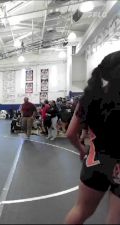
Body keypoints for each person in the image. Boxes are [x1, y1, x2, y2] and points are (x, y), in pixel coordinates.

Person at [64, 51, 120, 224]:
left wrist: (82, 151)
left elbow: (70, 133)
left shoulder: (89, 98)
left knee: (80, 210)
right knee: (115, 218)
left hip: (95, 162)